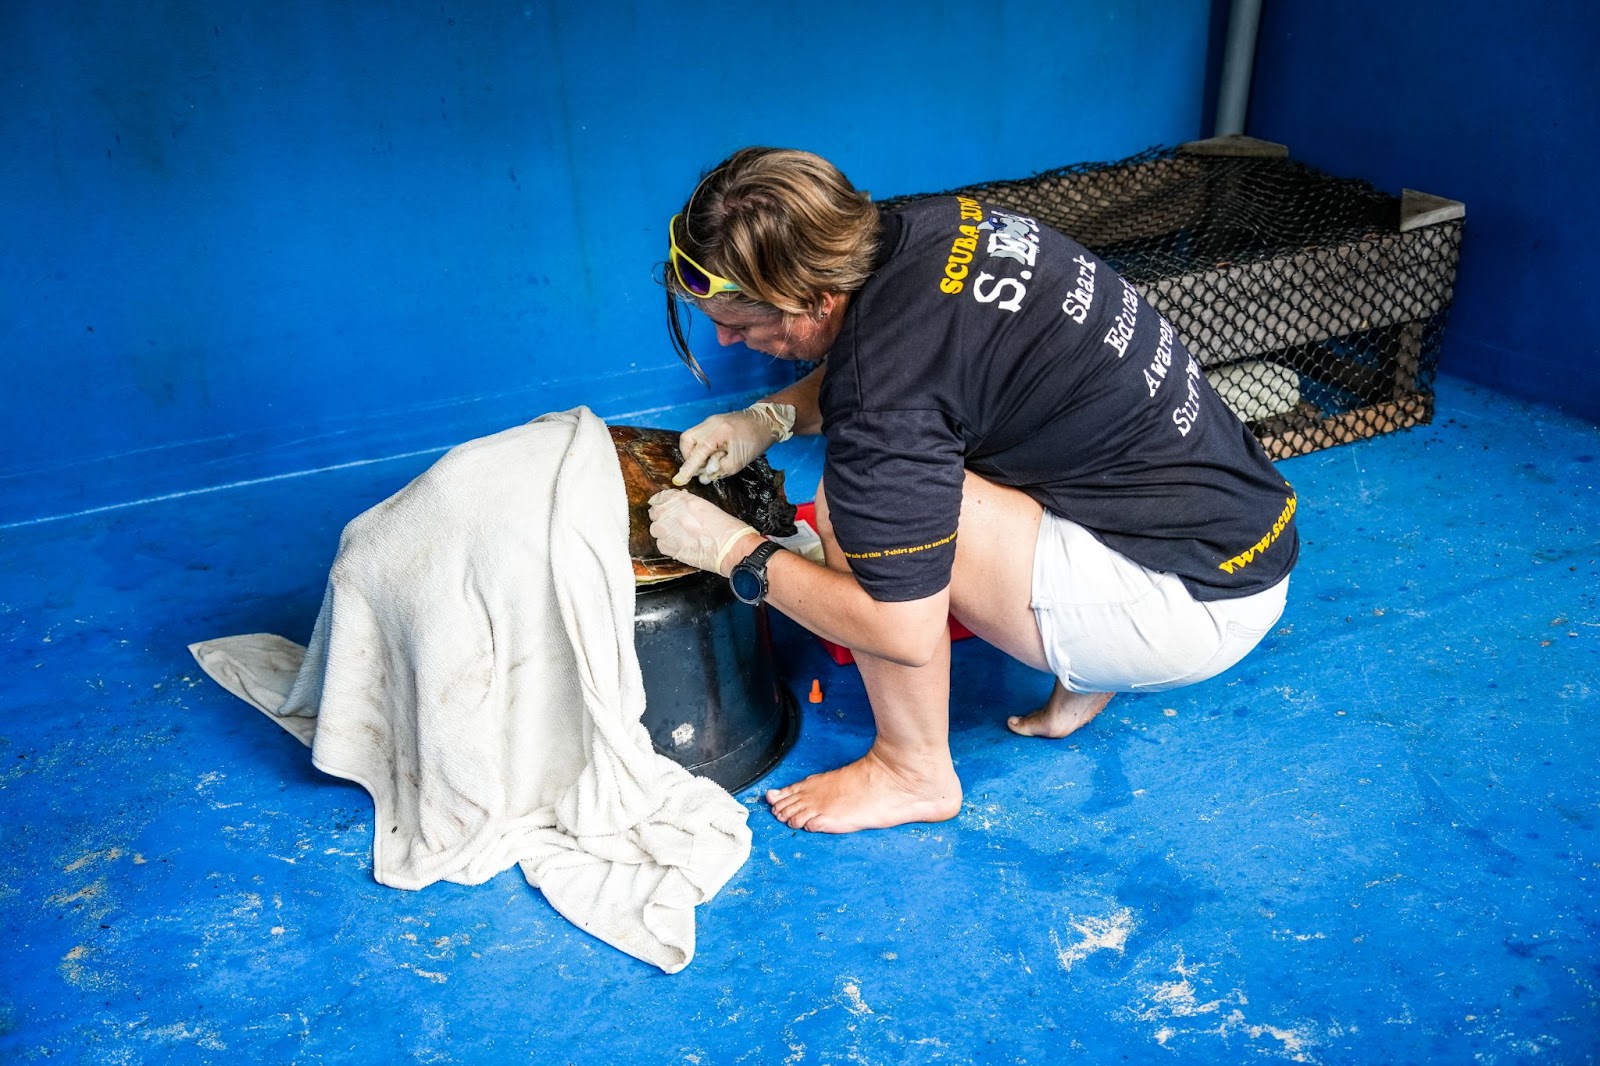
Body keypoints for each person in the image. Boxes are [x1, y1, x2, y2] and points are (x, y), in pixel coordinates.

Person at [646, 147, 1297, 834]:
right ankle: (1095, 667)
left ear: (813, 299)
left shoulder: (882, 395)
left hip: (1187, 606)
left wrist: (735, 552)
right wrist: (766, 417)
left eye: (741, 324)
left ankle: (911, 770)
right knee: (918, 473)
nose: (723, 336)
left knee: (854, 510)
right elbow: (913, 373)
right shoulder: (920, 228)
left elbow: (901, 628)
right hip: (1234, 531)